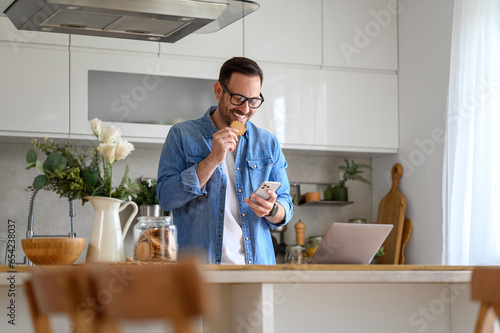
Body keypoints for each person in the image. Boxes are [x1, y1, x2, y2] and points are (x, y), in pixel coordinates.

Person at [156, 57, 293, 265]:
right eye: (238, 98)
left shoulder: (268, 143)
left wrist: (272, 209)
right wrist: (212, 160)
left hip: (256, 271)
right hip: (200, 275)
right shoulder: (181, 135)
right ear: (219, 91)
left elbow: (285, 204)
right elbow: (166, 197)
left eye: (254, 101)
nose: (245, 109)